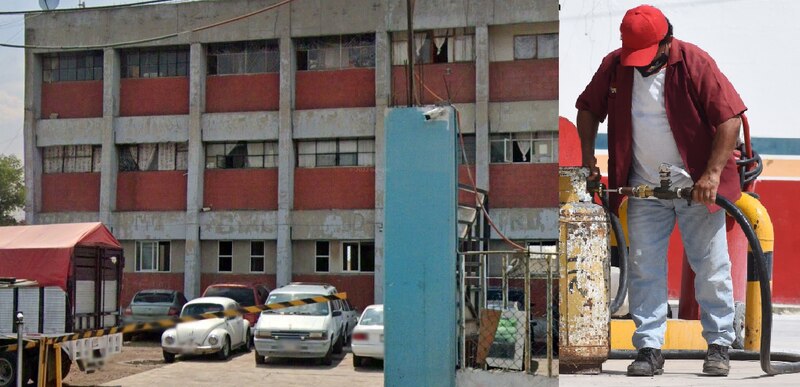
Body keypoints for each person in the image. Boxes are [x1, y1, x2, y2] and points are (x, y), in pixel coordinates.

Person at [575, 4, 746, 377]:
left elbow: (729, 118)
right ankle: (649, 348)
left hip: (696, 187)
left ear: (667, 41)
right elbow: (588, 108)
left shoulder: (695, 62)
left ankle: (719, 344)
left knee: (711, 266)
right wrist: (589, 160)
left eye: (647, 56)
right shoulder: (616, 65)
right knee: (643, 267)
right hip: (643, 188)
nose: (640, 64)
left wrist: (712, 175)